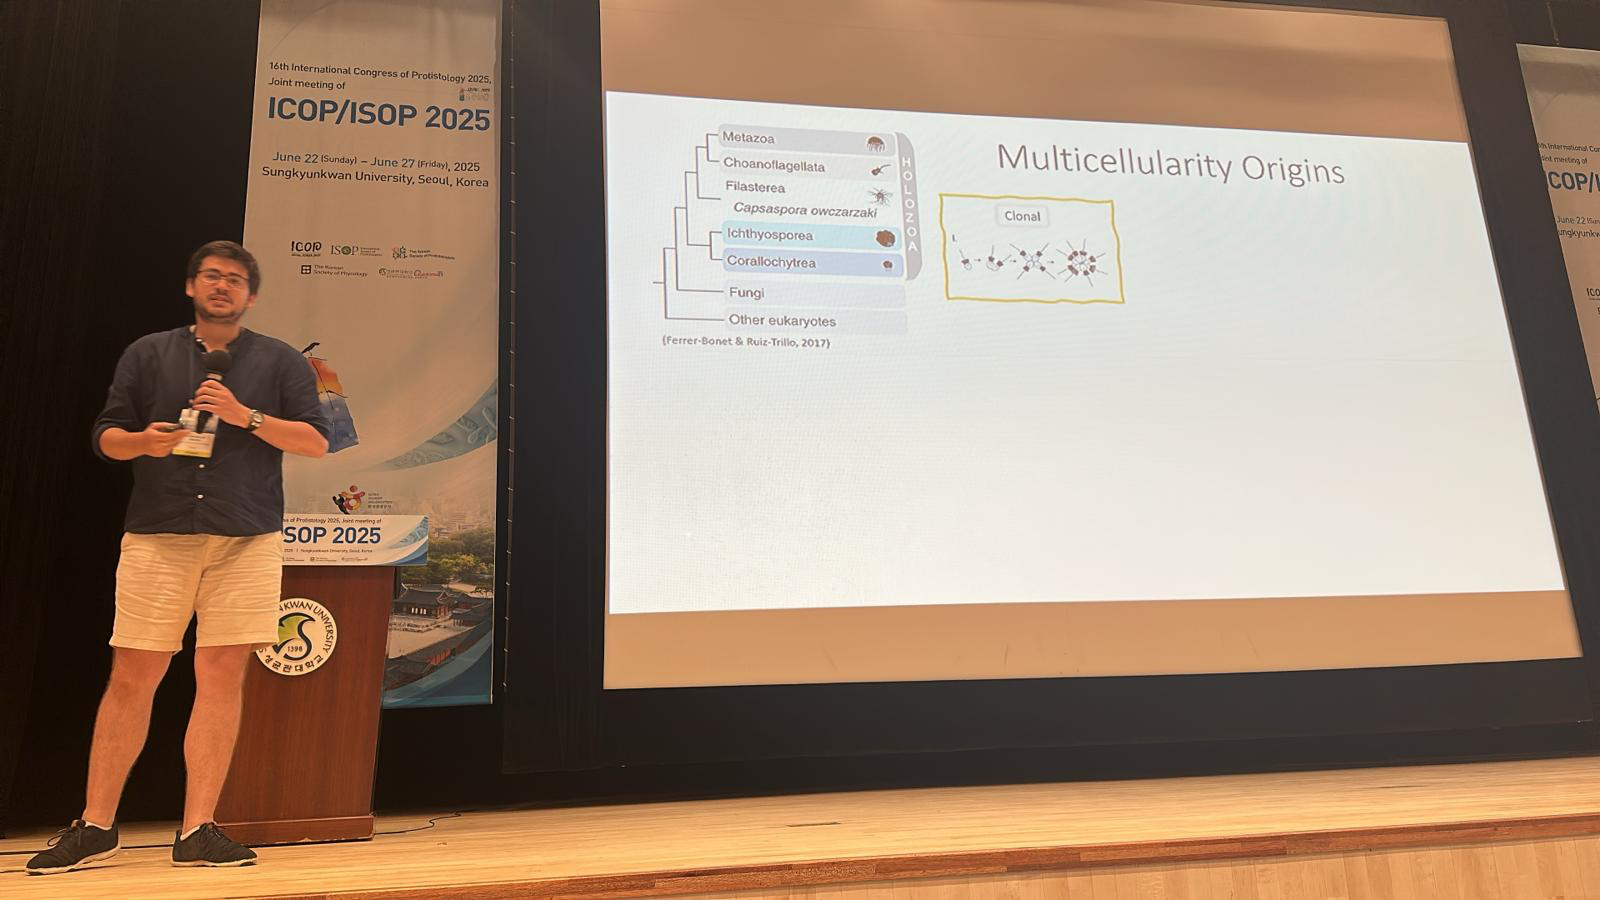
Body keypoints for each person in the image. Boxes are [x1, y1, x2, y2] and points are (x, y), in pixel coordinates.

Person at [26, 241, 331, 875]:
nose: (223, 286)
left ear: (252, 296)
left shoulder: (280, 360)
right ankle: (96, 825)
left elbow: (315, 442)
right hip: (159, 535)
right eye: (211, 276)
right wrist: (145, 442)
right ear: (191, 286)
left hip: (245, 537)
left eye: (236, 279)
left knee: (222, 676)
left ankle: (199, 829)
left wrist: (245, 415)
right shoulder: (148, 353)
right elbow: (106, 437)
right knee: (132, 675)